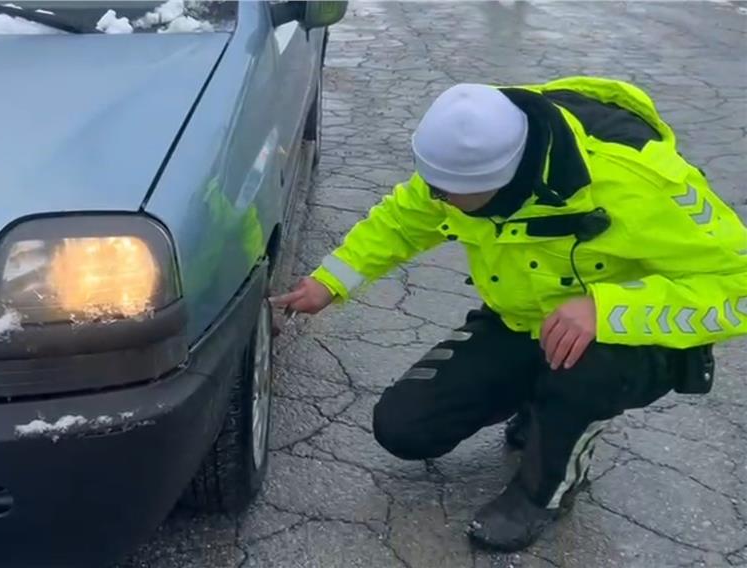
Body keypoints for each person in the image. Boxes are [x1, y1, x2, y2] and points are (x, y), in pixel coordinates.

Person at [272, 76, 747, 551]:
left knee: (585, 374)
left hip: (619, 341)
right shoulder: (470, 151)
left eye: (447, 194)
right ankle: (541, 401)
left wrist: (608, 309)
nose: (437, 198)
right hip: (523, 322)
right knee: (404, 428)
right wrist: (329, 282)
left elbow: (737, 284)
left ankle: (544, 491)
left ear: (500, 181)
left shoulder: (642, 183)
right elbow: (402, 221)